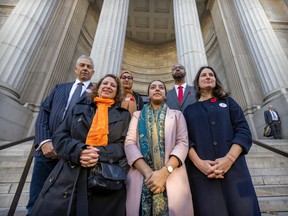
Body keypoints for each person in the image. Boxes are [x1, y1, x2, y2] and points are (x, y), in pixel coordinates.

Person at [30, 74, 131, 216]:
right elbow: (60, 136)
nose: (108, 86)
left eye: (113, 85)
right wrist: (80, 151)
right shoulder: (79, 107)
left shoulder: (124, 115)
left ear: (117, 92)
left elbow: (122, 145)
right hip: (70, 173)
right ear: (98, 87)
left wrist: (97, 153)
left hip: (104, 177)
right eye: (105, 83)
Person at [183, 66, 261, 216]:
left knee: (246, 210)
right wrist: (201, 164)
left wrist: (229, 159)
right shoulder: (189, 110)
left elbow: (243, 131)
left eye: (211, 75)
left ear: (215, 80)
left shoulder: (229, 102)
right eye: (203, 75)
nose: (208, 77)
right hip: (203, 175)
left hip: (236, 170)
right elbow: (185, 140)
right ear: (197, 83)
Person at [26, 55, 95, 215]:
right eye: (82, 65)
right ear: (75, 69)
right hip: (47, 150)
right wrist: (44, 141)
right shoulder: (59, 88)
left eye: (88, 67)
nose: (85, 68)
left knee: (65, 201)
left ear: (93, 72)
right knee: (36, 196)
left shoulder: (96, 92)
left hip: (73, 151)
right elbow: (44, 112)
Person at [124, 80, 194, 216]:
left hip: (172, 176)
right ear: (148, 95)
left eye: (161, 87)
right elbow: (129, 143)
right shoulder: (137, 115)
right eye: (153, 87)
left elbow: (182, 143)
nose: (157, 89)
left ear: (165, 95)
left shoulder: (177, 115)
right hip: (142, 177)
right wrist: (150, 175)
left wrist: (164, 173)